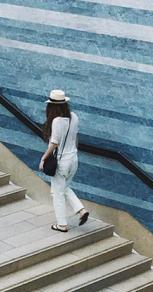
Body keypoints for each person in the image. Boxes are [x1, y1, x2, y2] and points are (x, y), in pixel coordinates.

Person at [39, 89, 89, 232]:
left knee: (57, 193)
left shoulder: (56, 121)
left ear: (52, 106)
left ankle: (62, 224)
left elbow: (53, 143)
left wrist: (44, 158)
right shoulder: (74, 116)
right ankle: (81, 210)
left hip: (62, 162)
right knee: (64, 188)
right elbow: (75, 139)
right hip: (74, 159)